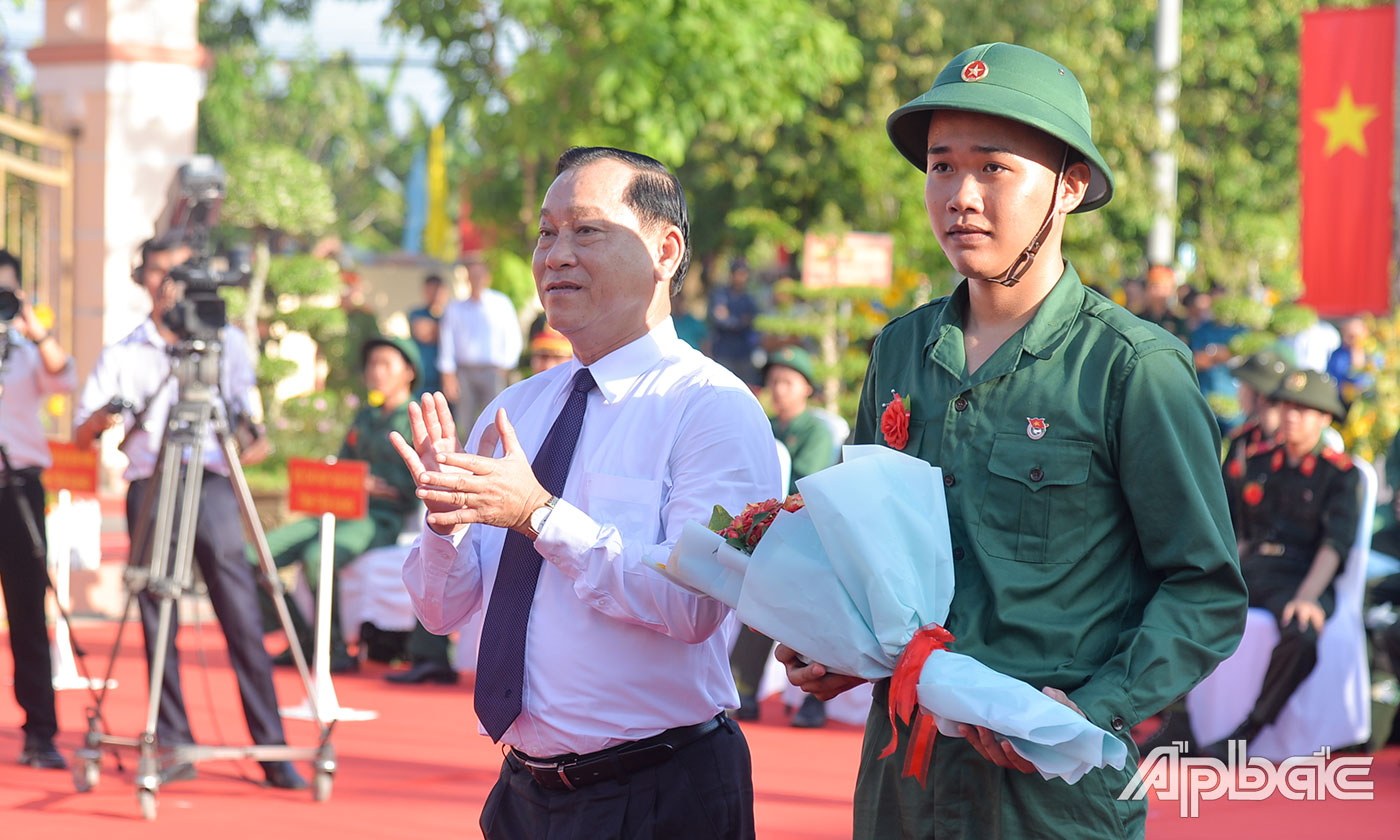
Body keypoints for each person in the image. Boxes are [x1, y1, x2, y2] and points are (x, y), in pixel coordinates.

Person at [779, 43, 1247, 839]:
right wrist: (826, 639)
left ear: (1069, 185)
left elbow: (1203, 590)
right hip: (902, 781)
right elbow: (864, 550)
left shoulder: (1133, 369)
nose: (960, 196)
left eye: (994, 168)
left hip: (1051, 791)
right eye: (940, 168)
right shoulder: (900, 351)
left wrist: (1094, 706)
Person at [393, 146, 780, 839]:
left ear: (665, 250)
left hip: (661, 792)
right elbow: (439, 610)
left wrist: (539, 516)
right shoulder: (515, 409)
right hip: (523, 792)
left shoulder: (711, 407)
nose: (555, 254)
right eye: (546, 232)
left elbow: (694, 604)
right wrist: (443, 523)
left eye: (586, 231)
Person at [73, 236, 305, 790]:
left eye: (181, 273)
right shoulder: (124, 352)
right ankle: (173, 741)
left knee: (242, 609)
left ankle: (272, 748)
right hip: (151, 482)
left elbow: (253, 431)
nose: (171, 284)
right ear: (144, 280)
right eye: (159, 273)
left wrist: (250, 433)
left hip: (213, 482)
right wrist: (108, 419)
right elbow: (81, 433)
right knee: (158, 614)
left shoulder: (228, 342)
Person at [1213, 369, 1361, 755]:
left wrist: (1309, 596)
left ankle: (1249, 731)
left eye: (1305, 410)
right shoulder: (1260, 460)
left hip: (1303, 574)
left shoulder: (1340, 474)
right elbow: (1244, 534)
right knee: (1186, 607)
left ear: (1325, 418)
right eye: (1287, 407)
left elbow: (1334, 545)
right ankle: (1179, 718)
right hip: (1257, 568)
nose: (1292, 416)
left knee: (1302, 632)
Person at [260, 336, 421, 673]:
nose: (375, 372)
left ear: (408, 372)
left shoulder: (416, 419)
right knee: (257, 554)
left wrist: (377, 487)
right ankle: (303, 637)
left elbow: (421, 482)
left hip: (380, 518)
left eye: (384, 364)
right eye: (371, 364)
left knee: (319, 557)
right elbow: (346, 467)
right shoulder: (364, 417)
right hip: (339, 509)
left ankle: (332, 649)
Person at [730, 345, 834, 727]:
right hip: (767, 536)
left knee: (807, 612)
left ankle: (815, 697)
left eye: (788, 381)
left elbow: (805, 486)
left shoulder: (817, 431)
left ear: (807, 388)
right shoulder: (765, 428)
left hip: (809, 538)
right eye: (774, 381)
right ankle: (742, 686)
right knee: (759, 608)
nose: (779, 389)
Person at [0, 249, 76, 769]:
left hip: (19, 489)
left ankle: (40, 732)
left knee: (28, 611)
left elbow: (65, 379)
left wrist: (34, 328)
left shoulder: (29, 350)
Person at [438, 257, 523, 433]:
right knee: (464, 423)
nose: (475, 279)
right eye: (472, 275)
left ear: (487, 277)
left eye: (479, 275)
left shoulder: (501, 304)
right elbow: (447, 342)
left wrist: (506, 366)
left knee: (495, 420)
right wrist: (448, 373)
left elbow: (513, 337)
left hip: (493, 370)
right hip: (465, 371)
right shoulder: (456, 308)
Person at [708, 257, 760, 385]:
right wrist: (740, 322)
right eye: (738, 273)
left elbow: (753, 321)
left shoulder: (749, 299)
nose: (741, 277)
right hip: (723, 352)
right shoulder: (721, 295)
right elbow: (719, 319)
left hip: (743, 353)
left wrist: (731, 320)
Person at [407, 274, 450, 398]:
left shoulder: (451, 314)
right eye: (431, 290)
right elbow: (423, 332)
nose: (435, 294)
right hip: (423, 377)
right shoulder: (416, 313)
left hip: (446, 380)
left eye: (438, 290)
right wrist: (446, 331)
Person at [1326, 316, 1379, 407]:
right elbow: (1331, 377)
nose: (1352, 340)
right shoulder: (1338, 354)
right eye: (1348, 335)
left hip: (1368, 402)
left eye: (1354, 336)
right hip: (1342, 401)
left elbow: (1367, 379)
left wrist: (1357, 351)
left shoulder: (1374, 353)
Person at [1133, 265, 1188, 342]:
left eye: (1164, 288)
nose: (1157, 292)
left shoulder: (1177, 320)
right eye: (1153, 287)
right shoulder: (1137, 319)